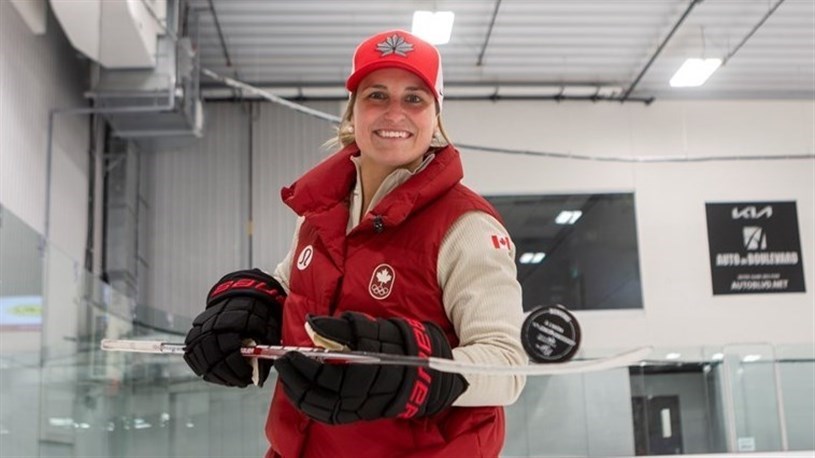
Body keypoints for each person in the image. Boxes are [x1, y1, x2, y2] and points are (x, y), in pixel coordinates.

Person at [183, 29, 527, 458]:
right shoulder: (321, 209)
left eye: (414, 98)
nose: (394, 112)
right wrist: (251, 308)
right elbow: (291, 287)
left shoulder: (465, 225)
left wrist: (414, 375)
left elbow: (507, 366)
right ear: (352, 112)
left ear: (436, 116)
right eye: (376, 95)